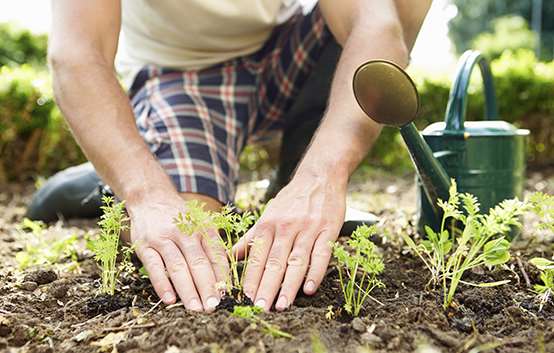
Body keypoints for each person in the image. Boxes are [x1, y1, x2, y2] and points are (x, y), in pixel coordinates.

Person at [34, 0, 431, 312]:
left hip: (286, 52)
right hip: (185, 75)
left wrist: (323, 175)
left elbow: (377, 27)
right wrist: (146, 194)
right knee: (192, 232)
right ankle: (125, 167)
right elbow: (77, 54)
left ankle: (295, 178)